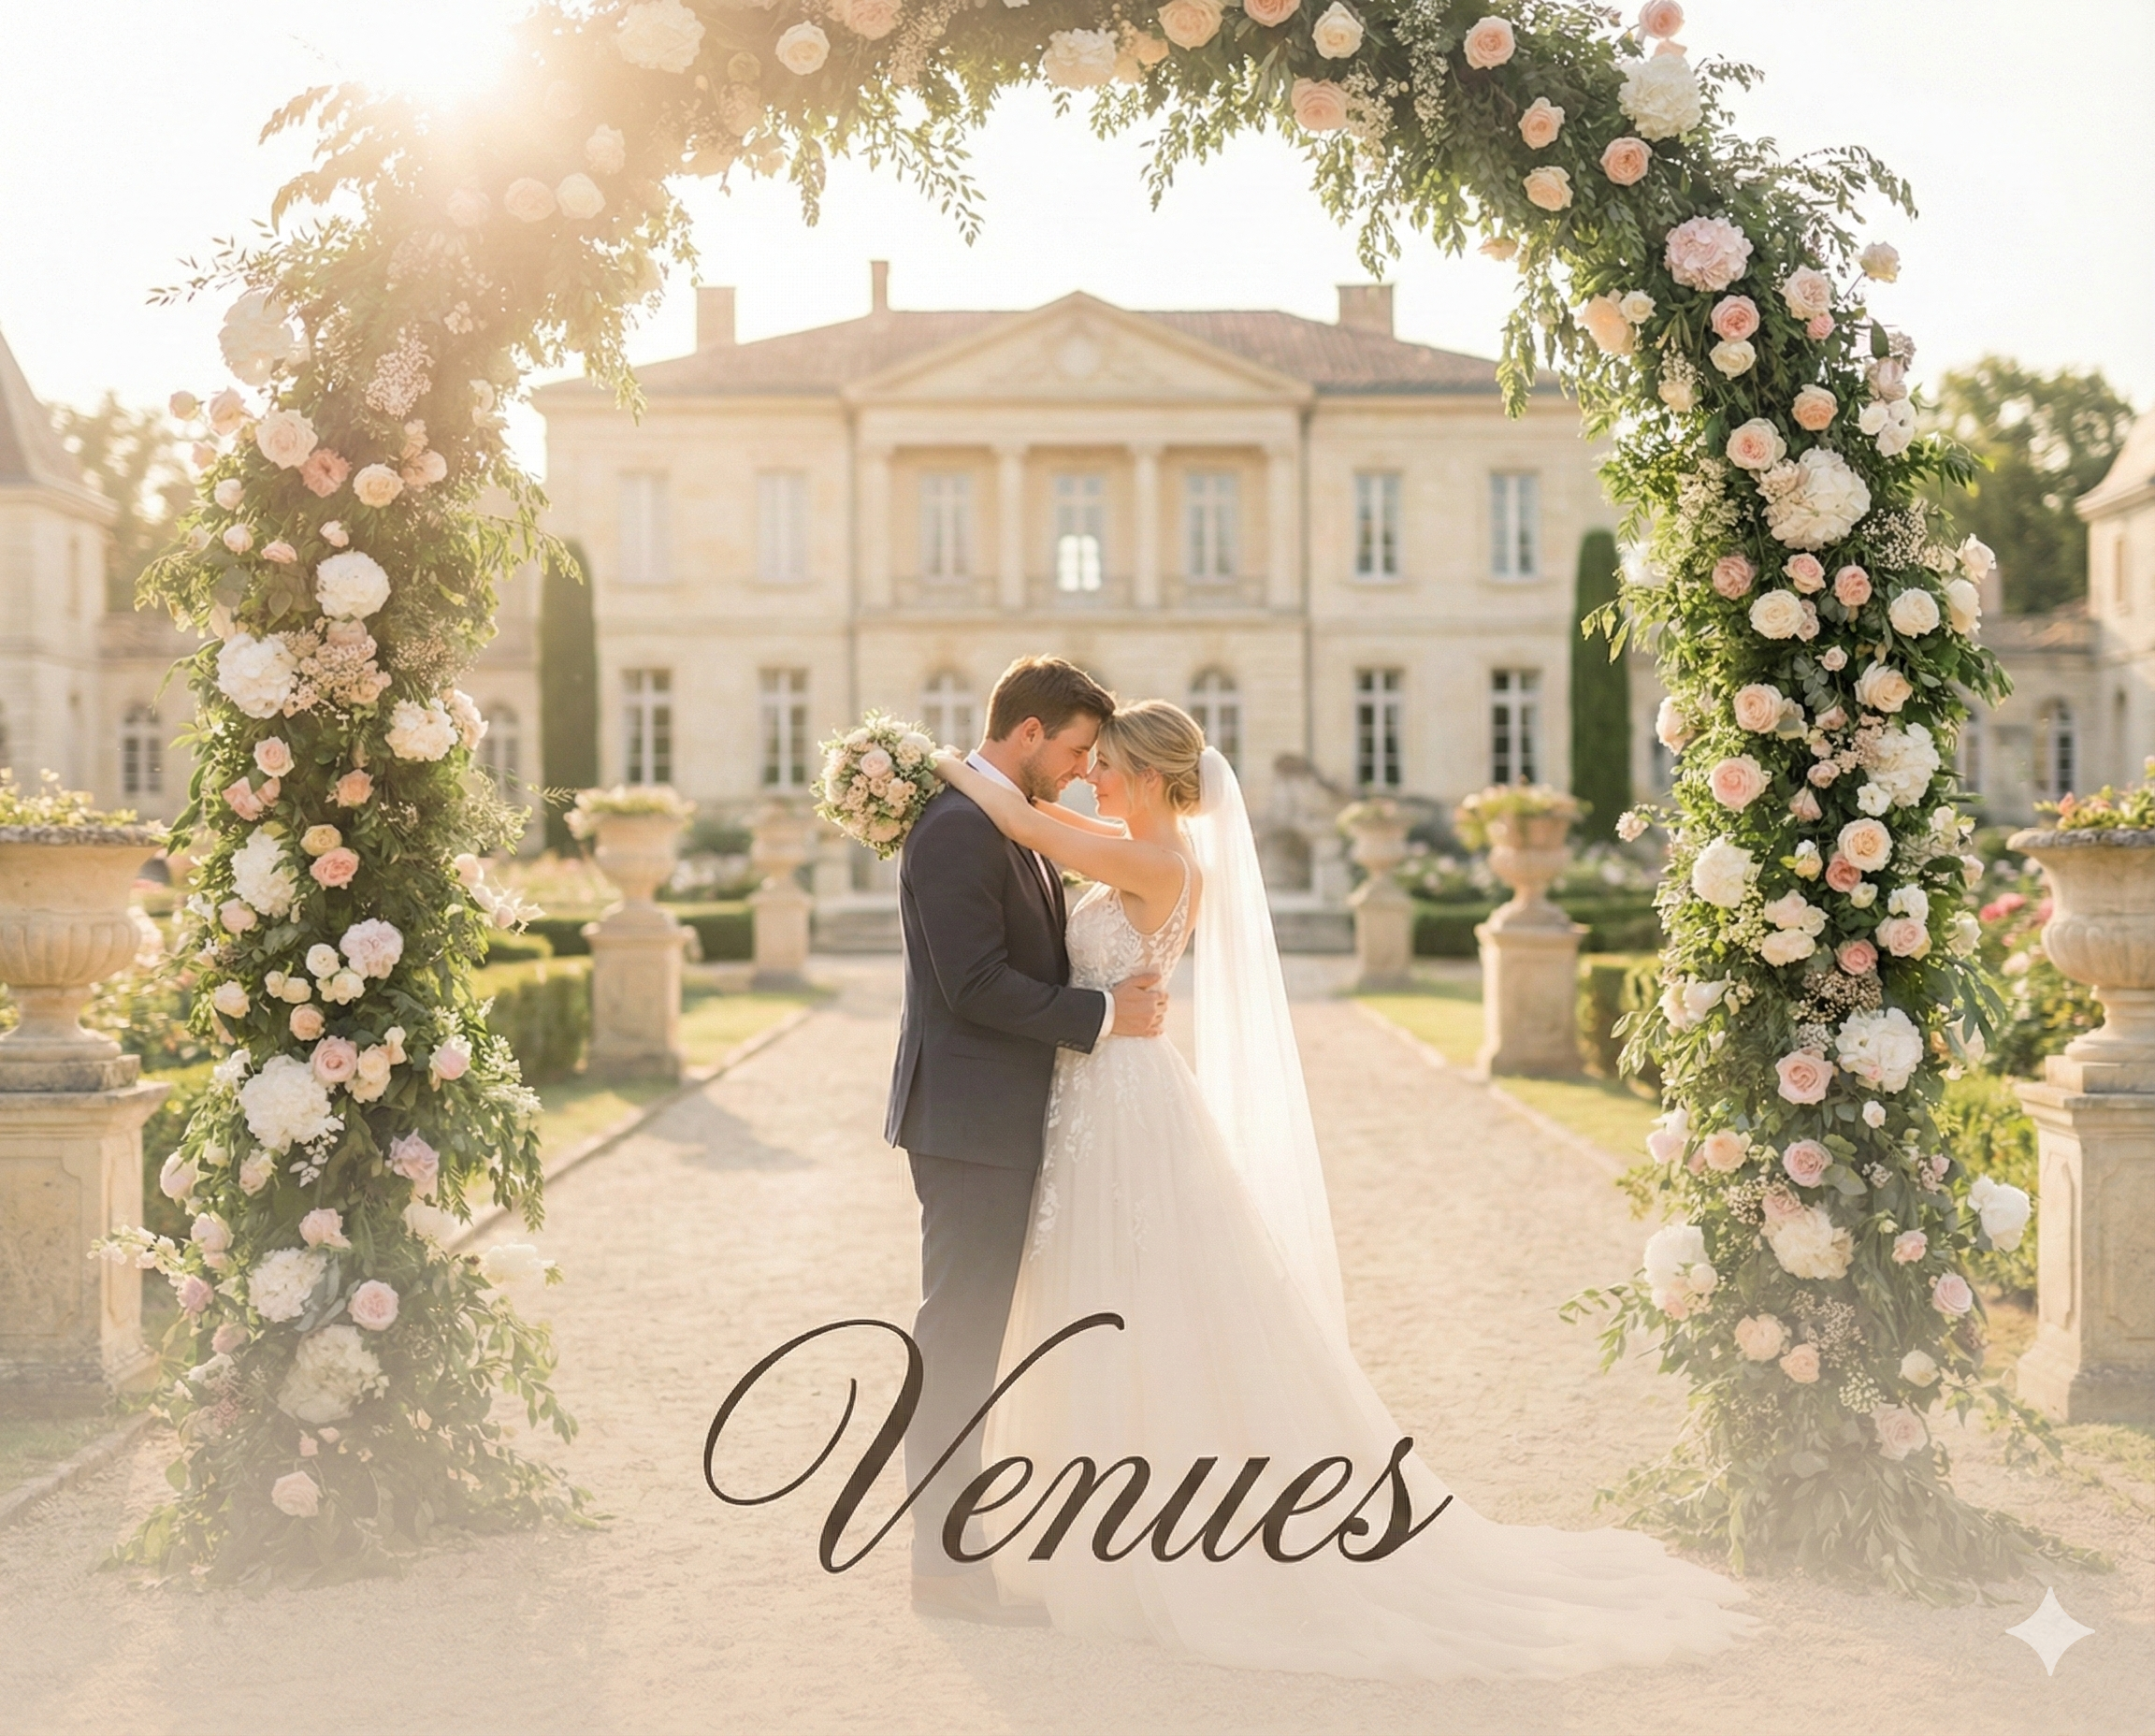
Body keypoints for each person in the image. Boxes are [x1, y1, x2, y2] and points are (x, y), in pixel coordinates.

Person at [925, 700, 1756, 1679]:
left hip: (1124, 1099)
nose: (1086, 777)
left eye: (1103, 764)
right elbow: (1050, 831)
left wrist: (933, 761)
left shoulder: (1160, 863)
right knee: (1103, 1300)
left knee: (1141, 1302)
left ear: (1148, 776)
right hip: (1099, 1090)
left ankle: (1152, 1533)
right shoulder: (1131, 839)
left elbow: (1025, 824)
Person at [885, 655, 1168, 1626]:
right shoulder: (961, 826)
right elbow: (974, 984)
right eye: (1080, 747)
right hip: (969, 1124)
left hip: (1002, 1118)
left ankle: (962, 1553)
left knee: (980, 1336)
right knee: (959, 1337)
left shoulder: (1003, 819)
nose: (1085, 765)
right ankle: (945, 1567)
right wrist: (1099, 1015)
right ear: (1032, 733)